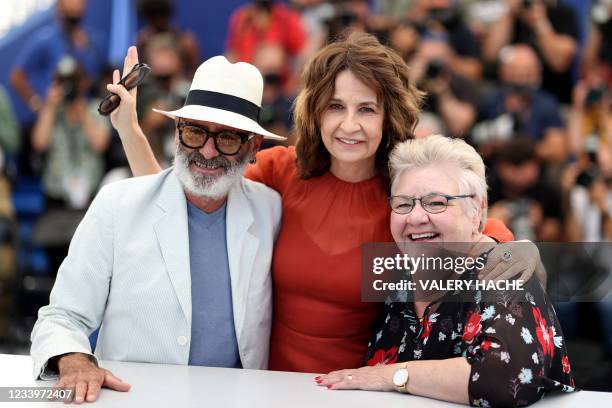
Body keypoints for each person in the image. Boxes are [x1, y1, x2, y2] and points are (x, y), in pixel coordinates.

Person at [111, 32, 541, 374]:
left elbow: (481, 239)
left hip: (358, 390)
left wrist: (521, 250)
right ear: (315, 112)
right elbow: (175, 204)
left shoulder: (406, 196)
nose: (349, 125)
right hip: (264, 386)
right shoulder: (282, 170)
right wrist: (128, 127)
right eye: (335, 106)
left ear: (389, 115)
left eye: (367, 109)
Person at [30, 49, 283, 403]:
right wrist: (74, 359)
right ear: (178, 132)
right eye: (195, 132)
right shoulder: (117, 205)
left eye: (227, 138)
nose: (207, 152)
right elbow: (62, 316)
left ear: (253, 146)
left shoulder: (269, 209)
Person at [316, 135, 575, 406]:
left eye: (436, 203)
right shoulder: (400, 278)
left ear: (476, 210)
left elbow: (504, 381)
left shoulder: (506, 270)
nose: (416, 217)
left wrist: (389, 376)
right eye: (403, 204)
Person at [9, 0, 105, 118]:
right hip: (57, 114)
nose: (73, 18)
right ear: (58, 11)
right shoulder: (45, 40)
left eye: (76, 13)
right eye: (68, 13)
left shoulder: (92, 41)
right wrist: (37, 105)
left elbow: (99, 75)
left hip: (87, 112)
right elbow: (16, 75)